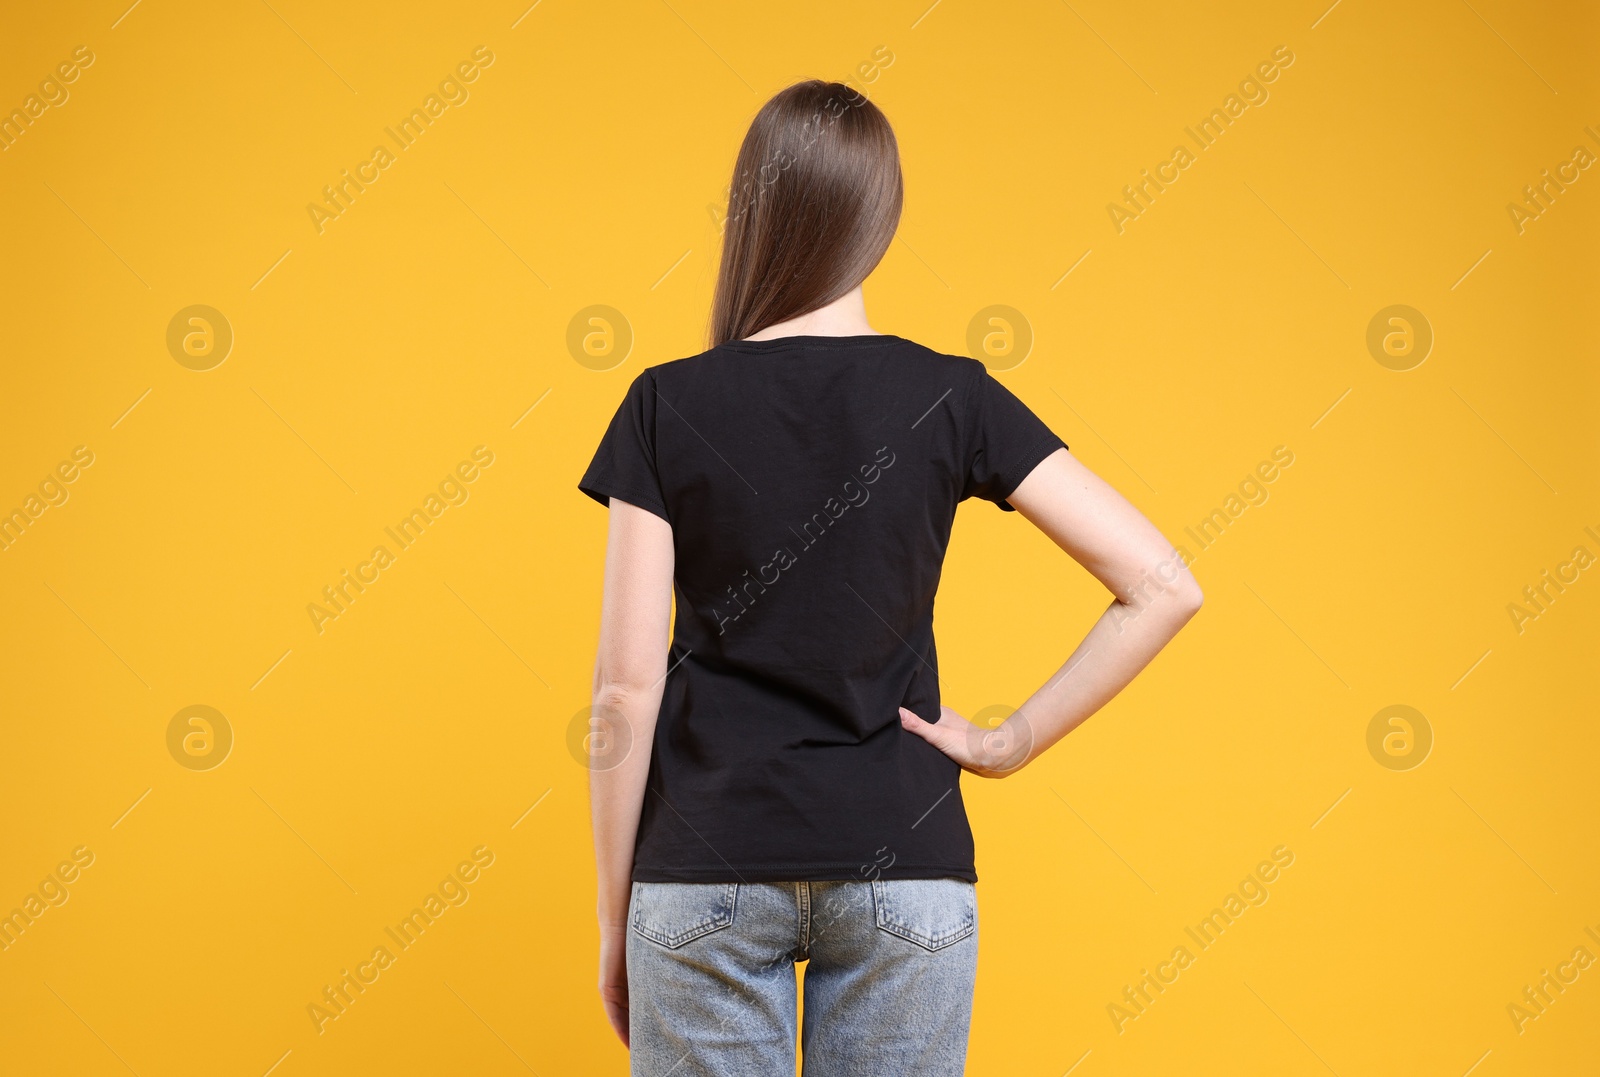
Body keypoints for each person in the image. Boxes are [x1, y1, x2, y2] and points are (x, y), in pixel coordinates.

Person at [578, 79, 1203, 1076]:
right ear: (882, 216)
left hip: (705, 869)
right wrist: (1008, 743)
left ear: (753, 213)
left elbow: (623, 687)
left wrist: (616, 918)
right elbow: (1163, 584)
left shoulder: (667, 403)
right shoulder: (948, 396)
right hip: (902, 868)